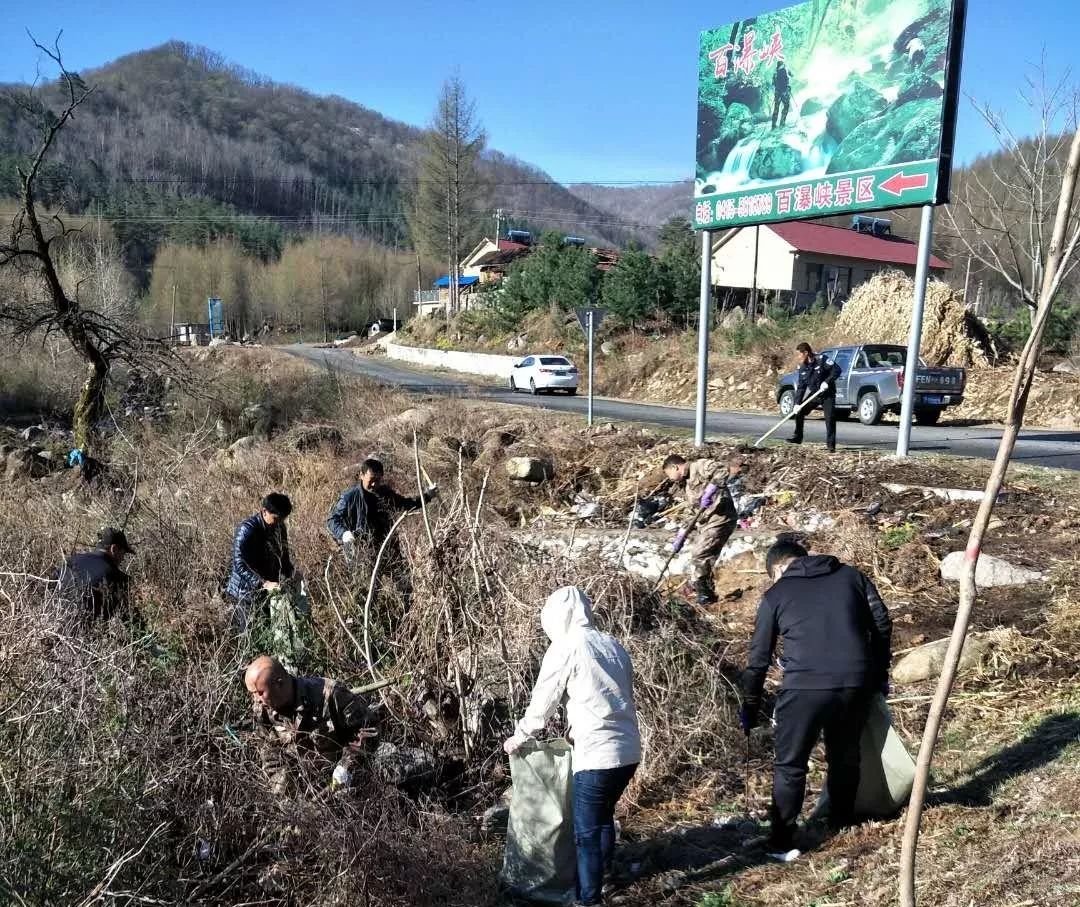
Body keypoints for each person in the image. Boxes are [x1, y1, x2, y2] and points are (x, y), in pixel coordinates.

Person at [740, 540, 893, 853]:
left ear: (780, 568)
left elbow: (758, 659)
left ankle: (781, 843)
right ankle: (842, 823)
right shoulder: (852, 577)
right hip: (855, 683)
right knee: (845, 754)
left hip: (803, 689)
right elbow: (882, 622)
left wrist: (750, 705)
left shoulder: (776, 594)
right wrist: (877, 675)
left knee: (790, 765)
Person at [503, 587, 640, 907]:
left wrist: (521, 735)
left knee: (586, 832)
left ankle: (587, 899)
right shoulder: (613, 645)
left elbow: (544, 700)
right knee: (603, 815)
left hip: (597, 754)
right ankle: (605, 877)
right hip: (629, 751)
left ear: (556, 618)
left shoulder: (567, 647)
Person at [244, 655, 373, 794]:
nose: (256, 699)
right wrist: (287, 797)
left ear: (279, 683)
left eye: (260, 693)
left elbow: (367, 730)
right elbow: (271, 759)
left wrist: (344, 771)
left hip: (347, 784)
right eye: (252, 694)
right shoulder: (263, 712)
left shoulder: (330, 694)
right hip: (306, 795)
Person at [663, 454, 738, 605]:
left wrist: (712, 488)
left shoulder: (699, 466)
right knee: (704, 555)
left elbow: (722, 470)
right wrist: (681, 536)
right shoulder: (686, 485)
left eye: (669, 474)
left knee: (699, 552)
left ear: (675, 467)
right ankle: (704, 588)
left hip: (721, 518)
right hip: (707, 522)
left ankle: (705, 593)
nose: (670, 478)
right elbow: (692, 514)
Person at [327, 458, 437, 552]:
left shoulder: (385, 493)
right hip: (361, 550)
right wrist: (344, 534)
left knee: (401, 577)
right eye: (371, 480)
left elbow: (406, 504)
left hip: (388, 546)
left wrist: (427, 496)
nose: (374, 484)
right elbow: (332, 520)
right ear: (361, 475)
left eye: (378, 480)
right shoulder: (349, 497)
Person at [226, 493, 295, 624]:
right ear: (264, 512)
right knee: (249, 635)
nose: (279, 523)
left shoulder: (279, 527)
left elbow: (283, 555)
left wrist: (291, 573)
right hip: (244, 592)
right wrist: (263, 583)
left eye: (282, 519)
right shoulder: (247, 530)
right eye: (276, 518)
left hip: (267, 591)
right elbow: (239, 563)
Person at [54, 527, 134, 621]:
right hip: (90, 632)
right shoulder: (118, 578)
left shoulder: (69, 562)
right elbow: (128, 619)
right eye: (123, 553)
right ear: (114, 549)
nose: (123, 559)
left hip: (53, 626)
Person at [789, 342, 842, 452]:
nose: (798, 357)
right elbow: (801, 387)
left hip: (827, 393)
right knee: (800, 411)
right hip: (815, 394)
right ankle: (797, 437)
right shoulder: (802, 368)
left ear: (806, 353)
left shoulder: (821, 359)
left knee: (830, 418)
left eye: (799, 354)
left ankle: (831, 446)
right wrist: (797, 403)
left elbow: (837, 370)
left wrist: (827, 382)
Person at [771, 62, 792, 129]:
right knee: (786, 105)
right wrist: (787, 89)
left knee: (776, 108)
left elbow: (773, 84)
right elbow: (785, 81)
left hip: (777, 93)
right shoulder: (783, 70)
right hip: (783, 92)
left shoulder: (775, 73)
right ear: (782, 65)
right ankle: (782, 122)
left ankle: (773, 124)